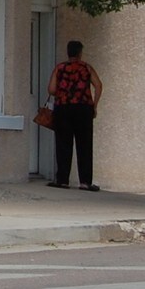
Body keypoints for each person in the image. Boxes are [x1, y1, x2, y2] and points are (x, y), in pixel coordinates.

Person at [45, 40, 104, 191]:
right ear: (80, 53)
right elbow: (98, 85)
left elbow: (51, 89)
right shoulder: (86, 68)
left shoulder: (60, 68)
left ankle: (63, 180)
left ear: (68, 52)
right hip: (83, 109)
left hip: (63, 108)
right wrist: (94, 105)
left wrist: (63, 92)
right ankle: (85, 182)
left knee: (63, 144)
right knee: (84, 144)